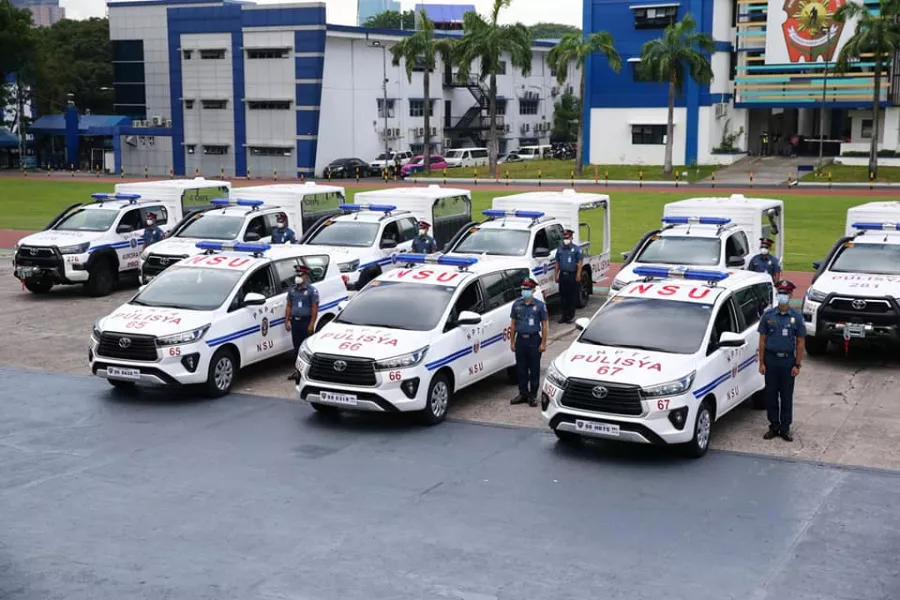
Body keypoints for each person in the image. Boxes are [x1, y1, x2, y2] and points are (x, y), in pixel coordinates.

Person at [757, 280, 806, 442]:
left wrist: (797, 364)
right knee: (771, 396)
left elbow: (800, 343)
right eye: (781, 293)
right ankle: (773, 426)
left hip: (787, 362)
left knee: (786, 396)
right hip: (771, 361)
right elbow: (762, 341)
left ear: (791, 295)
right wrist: (761, 363)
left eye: (786, 293)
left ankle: (785, 428)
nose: (783, 296)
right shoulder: (768, 316)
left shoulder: (796, 318)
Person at [509, 279, 548, 407]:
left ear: (533, 290)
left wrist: (543, 343)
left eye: (527, 289)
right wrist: (512, 341)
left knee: (534, 369)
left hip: (533, 340)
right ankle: (523, 393)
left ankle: (532, 396)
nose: (525, 291)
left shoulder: (540, 306)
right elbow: (513, 324)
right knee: (521, 369)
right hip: (521, 340)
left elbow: (544, 325)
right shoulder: (516, 305)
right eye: (523, 289)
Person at [285, 265, 319, 380]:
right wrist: (287, 321)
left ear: (305, 276)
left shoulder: (311, 291)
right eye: (297, 275)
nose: (297, 277)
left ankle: (309, 372)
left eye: (300, 275)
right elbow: (289, 306)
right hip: (295, 322)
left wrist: (312, 324)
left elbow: (315, 308)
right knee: (297, 348)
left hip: (306, 322)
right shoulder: (292, 290)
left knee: (307, 348)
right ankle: (297, 371)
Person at [554, 229, 583, 324]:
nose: (566, 239)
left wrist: (578, 275)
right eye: (564, 238)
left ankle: (570, 316)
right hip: (563, 274)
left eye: (567, 237)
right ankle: (563, 315)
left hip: (572, 275)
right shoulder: (560, 249)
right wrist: (556, 275)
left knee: (572, 296)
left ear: (571, 238)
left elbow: (579, 263)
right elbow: (557, 263)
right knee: (563, 296)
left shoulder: (576, 249)